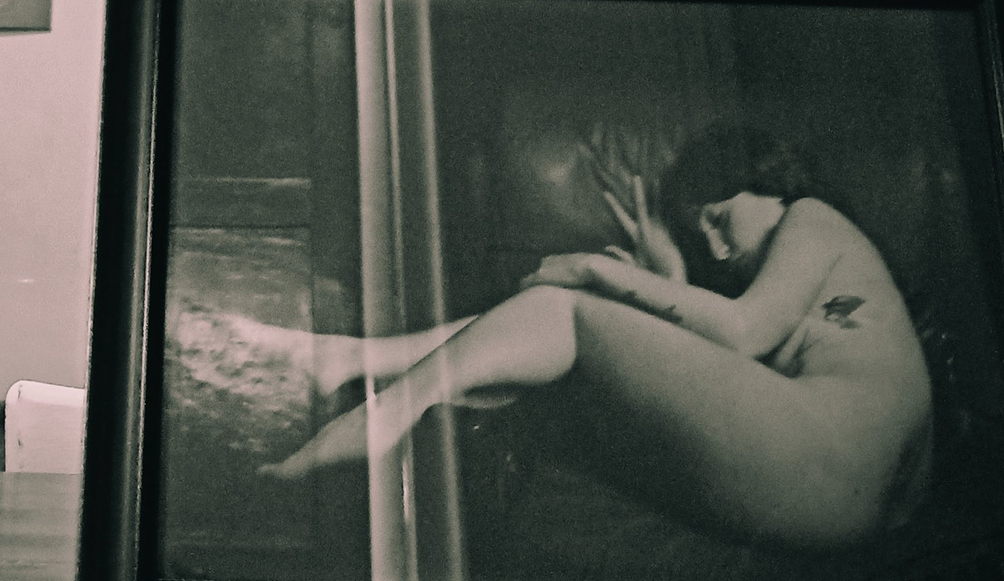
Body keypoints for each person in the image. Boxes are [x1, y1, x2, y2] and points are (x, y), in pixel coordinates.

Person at [257, 124, 933, 551]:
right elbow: (738, 357)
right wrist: (668, 278)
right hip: (839, 505)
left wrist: (595, 270)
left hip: (824, 463)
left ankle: (384, 408)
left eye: (720, 217)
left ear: (765, 183)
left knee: (563, 310)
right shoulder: (808, 283)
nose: (716, 246)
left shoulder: (811, 216)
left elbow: (743, 331)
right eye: (701, 232)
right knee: (545, 350)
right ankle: (353, 359)